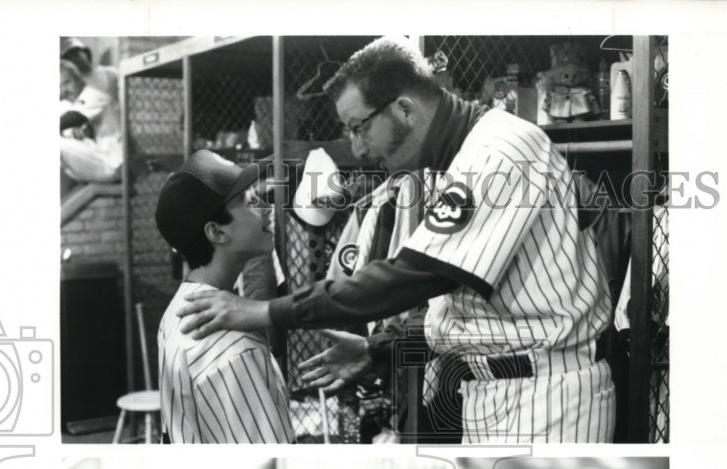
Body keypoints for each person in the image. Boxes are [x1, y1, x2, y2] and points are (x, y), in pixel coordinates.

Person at [176, 36, 615, 444]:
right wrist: (380, 348)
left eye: (359, 127)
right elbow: (464, 311)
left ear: (405, 110)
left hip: (548, 396)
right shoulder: (451, 160)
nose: (360, 149)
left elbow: (416, 275)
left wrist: (264, 311)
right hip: (497, 390)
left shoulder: (500, 151)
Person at [154, 150, 295, 443]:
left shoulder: (175, 312)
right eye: (249, 201)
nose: (267, 207)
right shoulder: (235, 344)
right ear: (217, 231)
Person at [60, 40, 122, 186]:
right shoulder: (71, 102)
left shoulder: (97, 87)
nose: (65, 89)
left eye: (68, 83)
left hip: (113, 160)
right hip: (98, 156)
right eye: (61, 86)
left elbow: (74, 118)